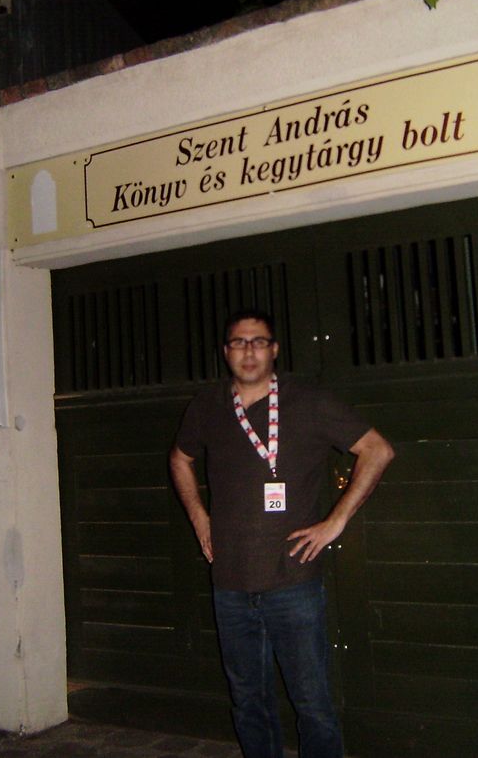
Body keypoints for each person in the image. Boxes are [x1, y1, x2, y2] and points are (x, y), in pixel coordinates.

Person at [169, 309, 394, 758]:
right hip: (230, 583)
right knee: (248, 702)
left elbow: (378, 450)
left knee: (313, 704)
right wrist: (198, 517)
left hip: (293, 581)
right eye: (239, 342)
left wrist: (336, 520)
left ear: (274, 349)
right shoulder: (208, 406)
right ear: (226, 351)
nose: (248, 351)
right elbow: (180, 458)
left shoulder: (308, 400)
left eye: (258, 341)